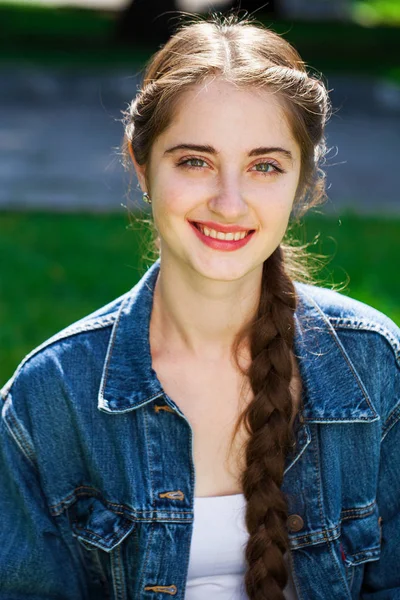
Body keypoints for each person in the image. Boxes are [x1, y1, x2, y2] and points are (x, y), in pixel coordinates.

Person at [1, 12, 399, 600]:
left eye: (264, 166)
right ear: (142, 164)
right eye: (195, 161)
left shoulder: (373, 365)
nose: (229, 202)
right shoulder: (51, 396)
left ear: (302, 182)